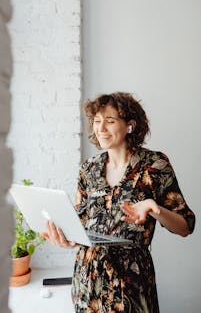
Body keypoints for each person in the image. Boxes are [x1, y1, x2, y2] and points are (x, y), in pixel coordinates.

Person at [42, 92, 195, 313]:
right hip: (87, 282)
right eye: (96, 121)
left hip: (132, 283)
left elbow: (185, 226)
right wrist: (68, 240)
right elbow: (81, 225)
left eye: (110, 121)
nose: (100, 128)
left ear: (130, 126)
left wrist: (155, 208)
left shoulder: (155, 166)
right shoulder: (88, 169)